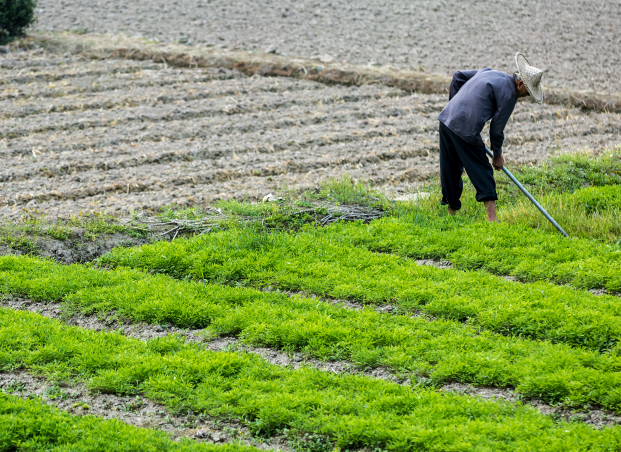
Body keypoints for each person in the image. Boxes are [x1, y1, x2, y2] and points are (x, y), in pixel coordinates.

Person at [437, 53, 544, 222]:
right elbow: (496, 130)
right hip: (465, 127)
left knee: (450, 166)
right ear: (520, 83)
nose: (528, 95)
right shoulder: (510, 94)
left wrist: (454, 106)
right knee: (482, 169)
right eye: (528, 91)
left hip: (446, 120)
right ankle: (492, 220)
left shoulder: (490, 72)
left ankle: (451, 214)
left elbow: (457, 77)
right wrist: (498, 155)